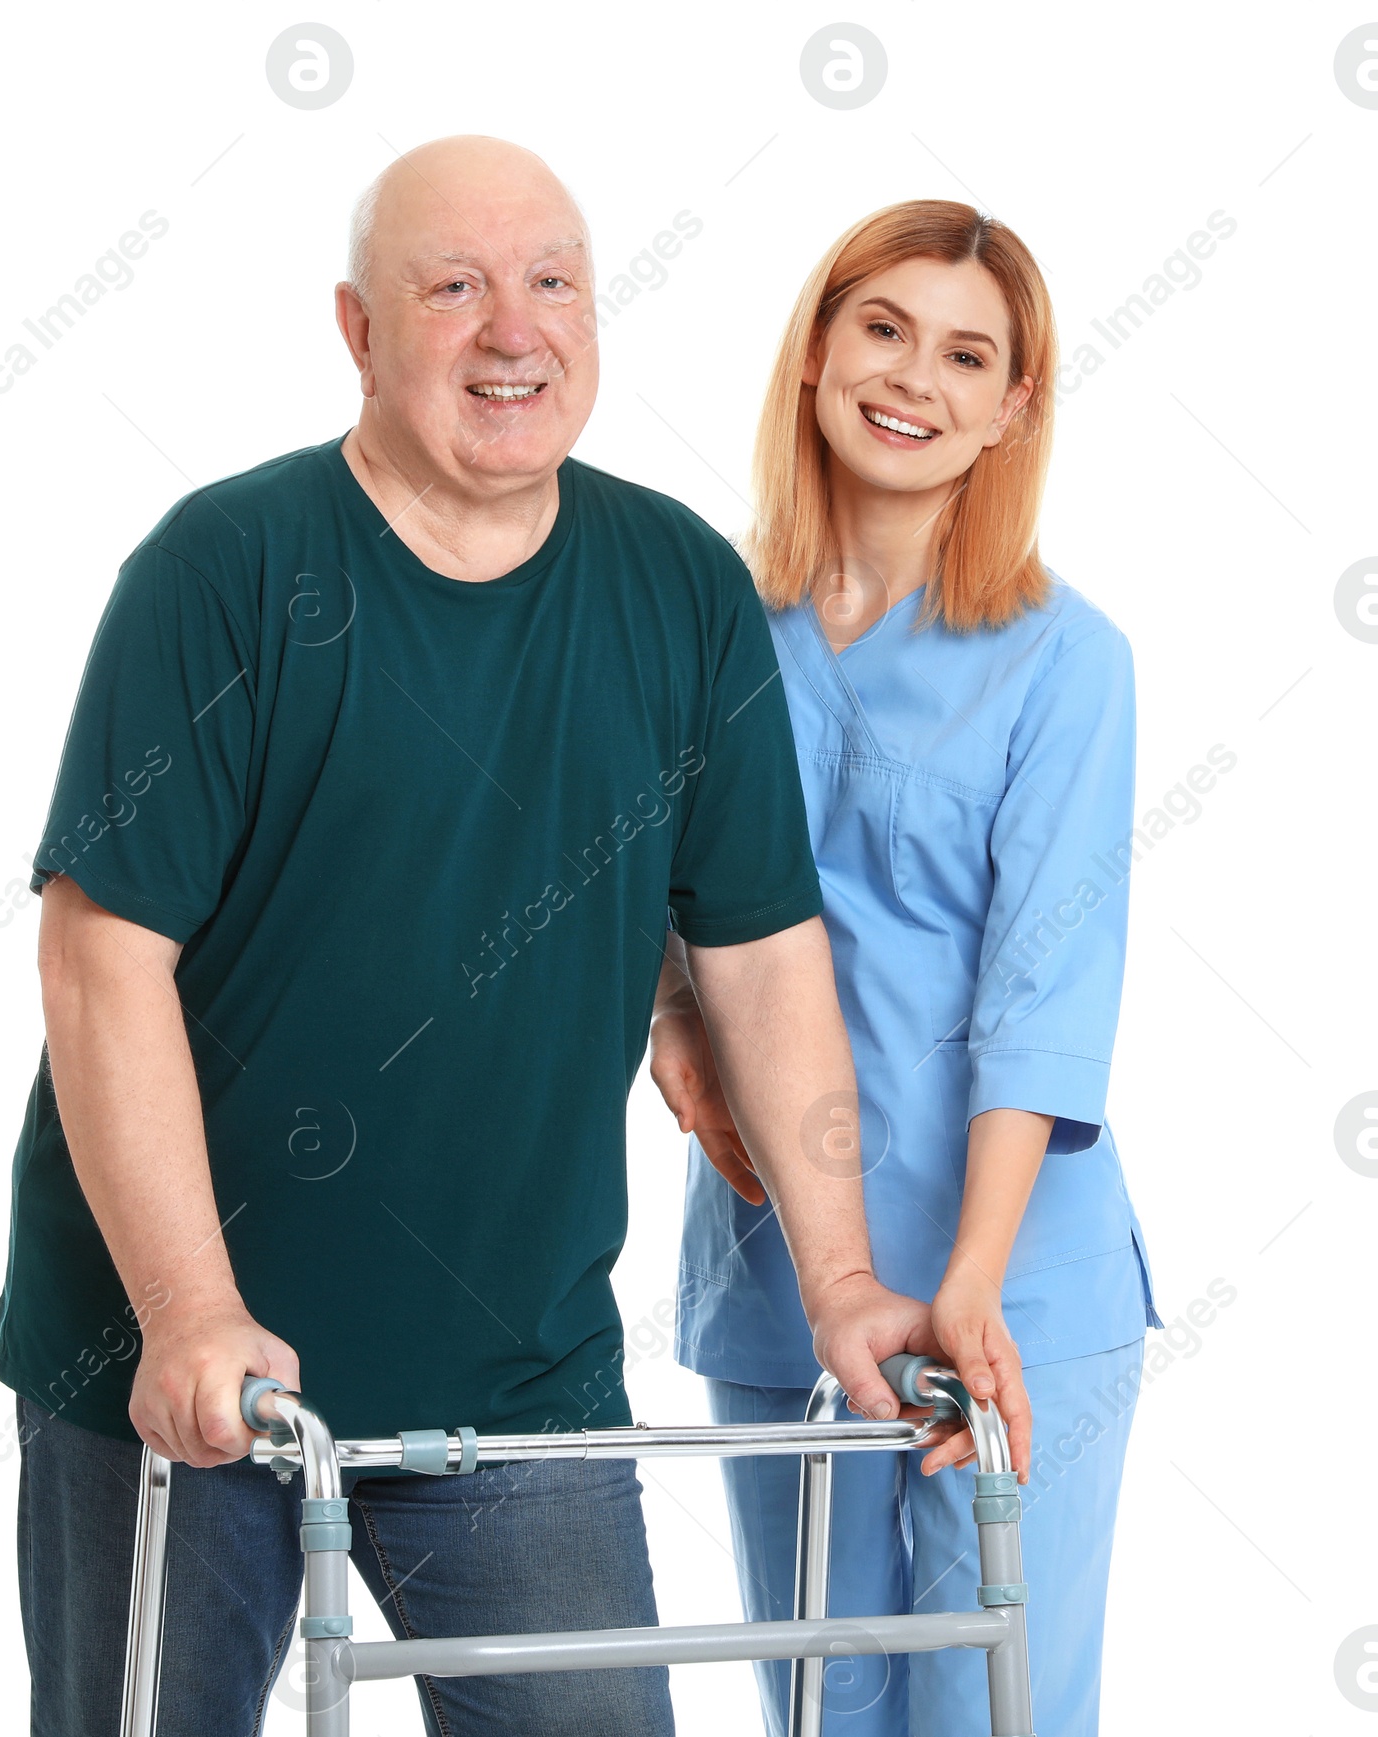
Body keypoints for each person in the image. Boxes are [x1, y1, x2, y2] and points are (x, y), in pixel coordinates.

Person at [0, 135, 935, 1737]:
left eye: (554, 282)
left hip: (518, 1383)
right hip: (186, 1367)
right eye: (455, 288)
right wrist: (187, 1310)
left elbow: (764, 959)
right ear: (359, 331)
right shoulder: (227, 572)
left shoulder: (680, 589)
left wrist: (842, 1277)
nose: (517, 330)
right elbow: (102, 959)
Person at [650, 201, 1163, 1737]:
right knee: (819, 1706)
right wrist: (668, 1009)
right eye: (883, 328)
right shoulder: (707, 629)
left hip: (1008, 1285)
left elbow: (1044, 999)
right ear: (817, 351)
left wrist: (973, 1281)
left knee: (987, 1706)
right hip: (774, 1281)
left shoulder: (1068, 660)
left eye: (967, 355)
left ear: (1012, 408)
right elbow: (637, 889)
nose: (914, 379)